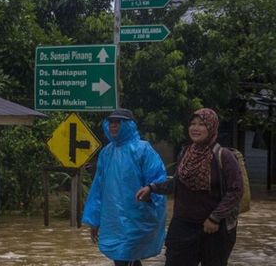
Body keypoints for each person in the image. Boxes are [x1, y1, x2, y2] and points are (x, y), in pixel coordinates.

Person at [136, 108, 243, 266]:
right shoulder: (186, 153)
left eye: (201, 124)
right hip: (183, 226)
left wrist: (214, 218)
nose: (195, 128)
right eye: (192, 124)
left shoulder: (224, 156)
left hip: (214, 229)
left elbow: (235, 191)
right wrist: (152, 188)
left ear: (212, 127)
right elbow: (178, 183)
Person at [82, 108, 167, 266]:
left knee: (126, 258)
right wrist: (94, 220)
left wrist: (149, 200)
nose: (113, 126)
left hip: (136, 219)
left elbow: (159, 183)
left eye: (118, 122)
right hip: (112, 221)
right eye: (111, 122)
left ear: (128, 125)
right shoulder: (106, 153)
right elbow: (98, 188)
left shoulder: (143, 150)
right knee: (123, 260)